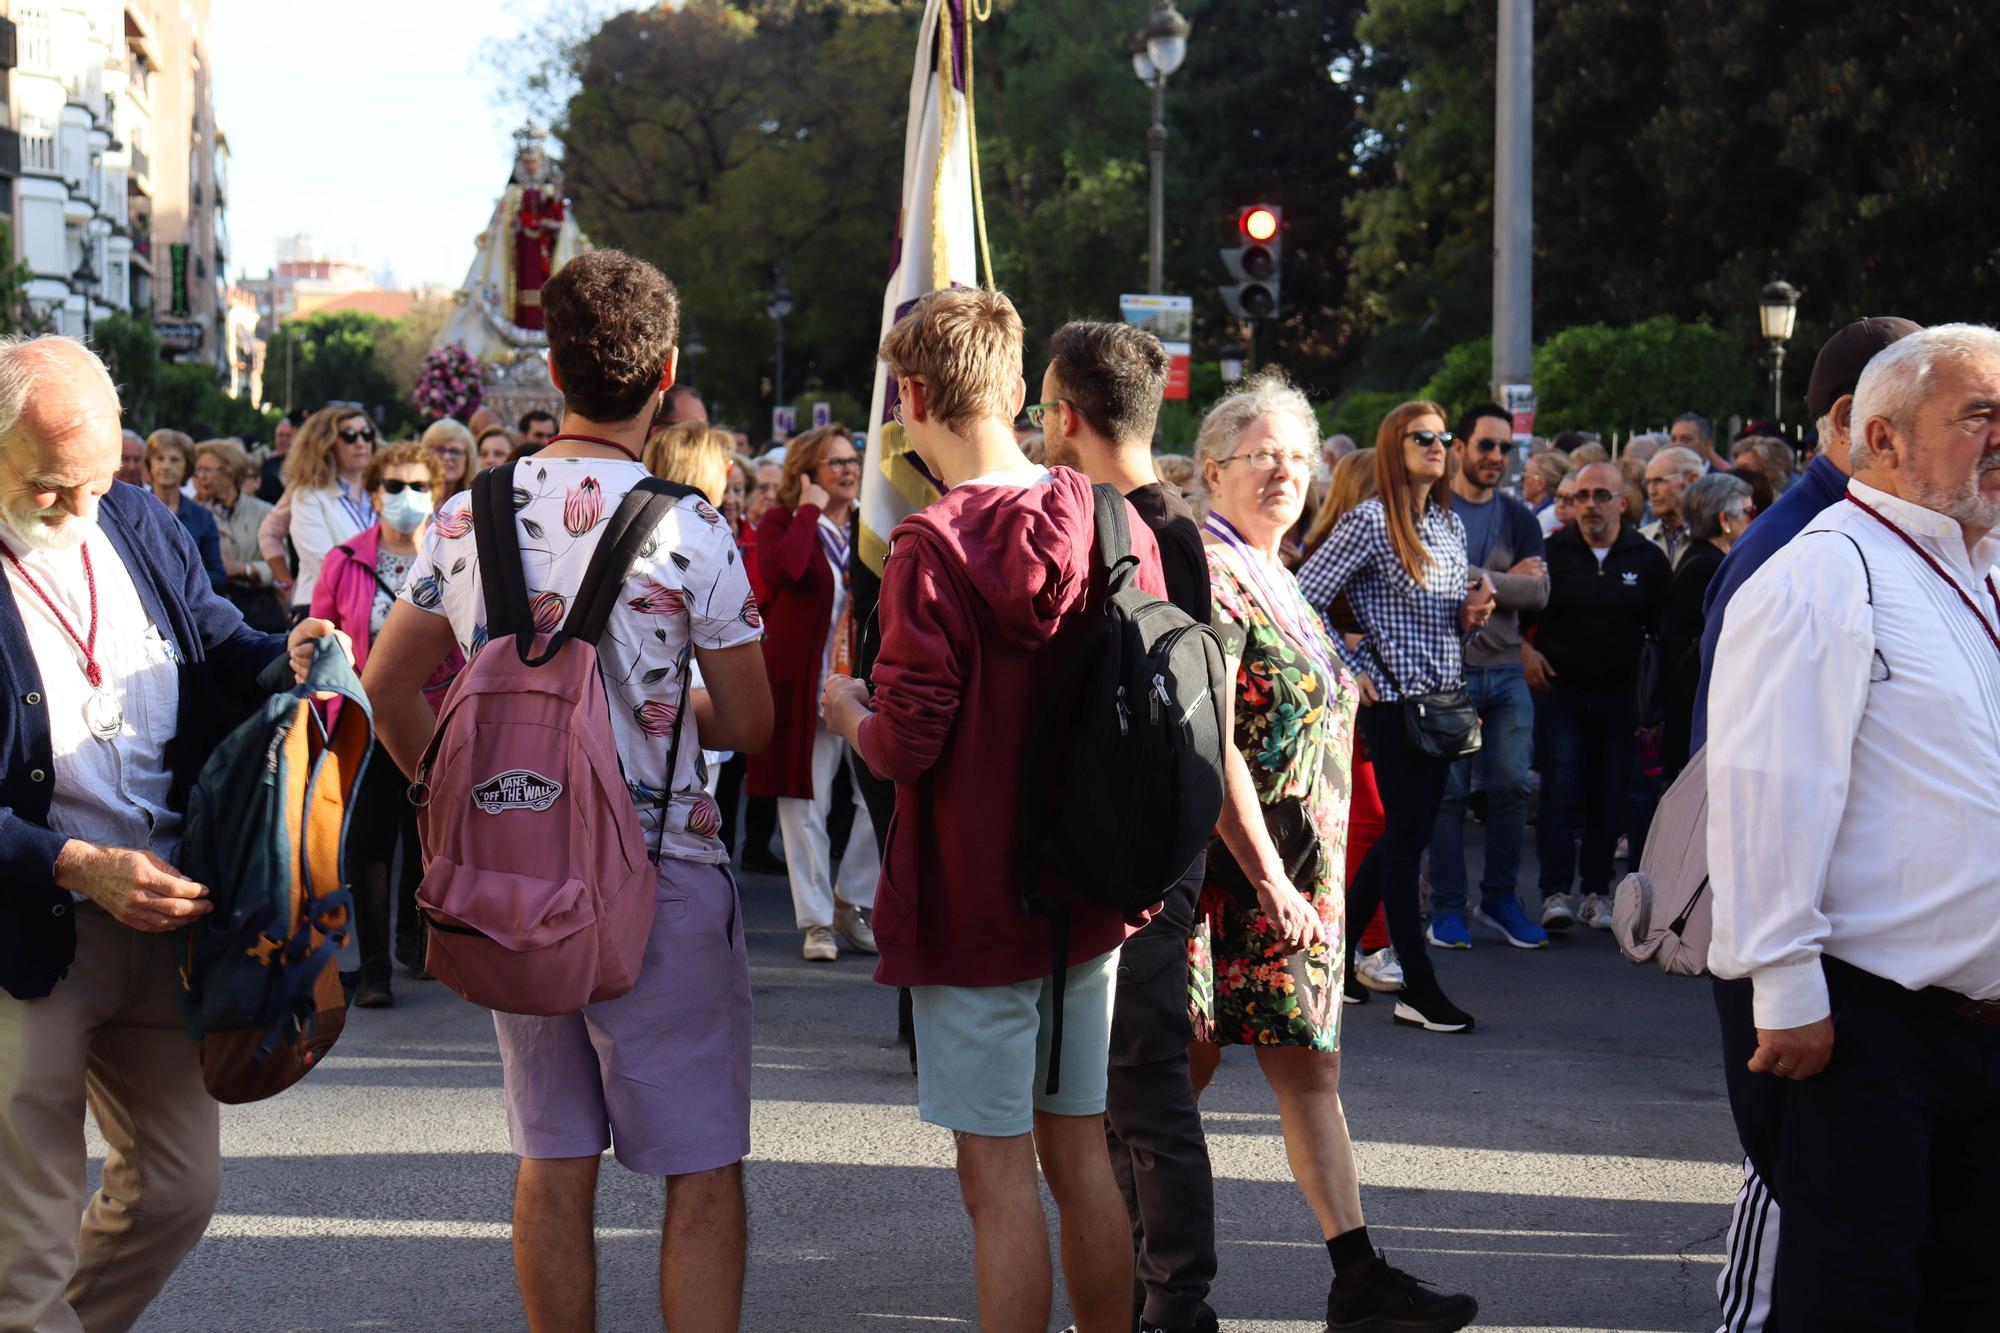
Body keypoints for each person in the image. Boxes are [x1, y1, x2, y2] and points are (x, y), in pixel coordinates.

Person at [361, 248, 771, 1333]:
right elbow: (750, 721)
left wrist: (441, 796)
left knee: (552, 1155)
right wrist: (662, 709)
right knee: (702, 1169)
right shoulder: (692, 529)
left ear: (549, 365)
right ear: (665, 372)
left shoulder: (463, 518)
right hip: (658, 876)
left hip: (513, 874)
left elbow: (385, 682)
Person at [819, 286, 1161, 1333]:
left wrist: (846, 713)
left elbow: (909, 741)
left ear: (911, 396)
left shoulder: (931, 544)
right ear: (1014, 389)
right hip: (1087, 884)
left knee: (997, 1179)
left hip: (973, 900)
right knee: (1080, 1150)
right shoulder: (1109, 518)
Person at [0, 334, 346, 1333]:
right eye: (50, 488)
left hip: (169, 915)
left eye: (97, 481)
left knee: (178, 1189)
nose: (77, 512)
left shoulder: (139, 519)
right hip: (33, 932)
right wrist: (75, 865)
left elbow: (217, 642)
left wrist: (283, 652)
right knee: (25, 1237)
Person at [1707, 323, 2000, 1330]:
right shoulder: (1821, 570)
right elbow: (1764, 789)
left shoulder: (1978, 563)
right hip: (1865, 1029)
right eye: (1979, 417)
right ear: (1880, 438)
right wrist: (1781, 984)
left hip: (1976, 1024)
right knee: (1855, 1298)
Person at [1187, 376, 1479, 1331]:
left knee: (1310, 1071)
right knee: (1171, 1079)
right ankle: (1155, 1289)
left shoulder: (1285, 571)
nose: (1282, 471)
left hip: (1299, 879)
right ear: (1211, 469)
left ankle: (1359, 1277)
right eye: (1260, 455)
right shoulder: (1209, 570)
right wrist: (1266, 871)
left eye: (1296, 457)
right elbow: (1214, 731)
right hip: (1225, 878)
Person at [1690, 314, 1919, 1333]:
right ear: (1850, 421)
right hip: (1825, 961)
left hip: (1863, 961)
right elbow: (1746, 779)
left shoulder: (1879, 538)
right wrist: (1787, 973)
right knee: (1799, 1204)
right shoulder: (1798, 552)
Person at [1038, 319, 1219, 1333]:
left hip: (1140, 846)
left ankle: (1176, 1305)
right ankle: (1150, 1291)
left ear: (1066, 414)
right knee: (1118, 1096)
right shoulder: (1171, 524)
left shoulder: (1141, 529)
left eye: (1040, 410)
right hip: (1154, 841)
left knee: (1143, 1094)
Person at [1298, 402, 1495, 1031]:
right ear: (1395, 446)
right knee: (1412, 838)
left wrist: (1469, 618)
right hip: (1394, 705)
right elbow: (1306, 599)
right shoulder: (1369, 521)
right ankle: (1417, 983)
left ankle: (1339, 955)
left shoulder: (1446, 523)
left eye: (1443, 437)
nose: (1438, 446)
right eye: (1422, 437)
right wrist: (1346, 668)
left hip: (1443, 699)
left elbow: (1440, 621)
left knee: (1404, 833)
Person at [310, 442, 462, 1007]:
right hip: (364, 720)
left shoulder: (453, 558)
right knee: (371, 842)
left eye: (418, 487)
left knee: (423, 835)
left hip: (433, 719)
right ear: (372, 493)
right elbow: (321, 637)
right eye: (393, 486)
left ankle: (414, 936)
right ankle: (373, 966)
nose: (406, 498)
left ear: (436, 494)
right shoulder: (344, 560)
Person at [747, 424, 879, 961]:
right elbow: (787, 569)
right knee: (804, 802)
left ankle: (853, 897)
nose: (849, 470)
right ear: (808, 474)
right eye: (835, 463)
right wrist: (808, 509)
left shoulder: (873, 528)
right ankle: (817, 921)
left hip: (863, 685)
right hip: (803, 686)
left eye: (852, 461)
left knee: (877, 796)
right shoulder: (785, 522)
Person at [1522, 461, 1669, 932]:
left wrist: (1656, 702)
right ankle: (1555, 891)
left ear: (1622, 503)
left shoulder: (1645, 558)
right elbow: (1518, 619)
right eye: (1582, 495)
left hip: (1619, 694)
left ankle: (1598, 891)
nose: (1590, 505)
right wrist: (1525, 651)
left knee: (1611, 793)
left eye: (1601, 495)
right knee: (1561, 788)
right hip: (1561, 690)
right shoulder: (1550, 553)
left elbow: (1663, 630)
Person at [1427, 404, 1550, 950]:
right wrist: (1502, 580)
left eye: (1504, 448)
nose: (1496, 457)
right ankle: (1448, 907)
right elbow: (1427, 580)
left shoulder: (1519, 517)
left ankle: (1501, 900)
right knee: (1448, 798)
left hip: (1503, 674)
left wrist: (1472, 578)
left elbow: (1540, 593)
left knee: (1510, 790)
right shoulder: (1431, 507)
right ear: (1460, 448)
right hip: (1445, 671)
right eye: (1486, 446)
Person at [1657, 472, 1751, 781]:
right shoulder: (1711, 567)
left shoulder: (1697, 558)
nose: (1755, 521)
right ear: (1725, 519)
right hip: (1694, 702)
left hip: (1686, 698)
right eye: (1748, 513)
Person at [280, 404, 382, 617]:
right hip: (324, 610)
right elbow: (325, 562)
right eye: (349, 436)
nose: (361, 442)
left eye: (366, 434)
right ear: (325, 444)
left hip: (378, 607)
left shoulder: (385, 491)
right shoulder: (308, 496)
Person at [194, 438, 285, 631]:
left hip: (259, 613)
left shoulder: (264, 512)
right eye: (198, 470)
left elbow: (282, 569)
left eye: (209, 470)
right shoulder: (192, 514)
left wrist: (244, 569)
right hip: (211, 614)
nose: (201, 476)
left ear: (231, 472)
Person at [143, 430, 227, 592]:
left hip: (188, 607)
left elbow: (219, 575)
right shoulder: (133, 510)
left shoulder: (202, 517)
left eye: (175, 460)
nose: (166, 466)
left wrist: (181, 581)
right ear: (150, 464)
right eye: (160, 458)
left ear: (187, 467)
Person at [1640, 446, 1705, 568]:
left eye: (1659, 481)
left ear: (1692, 481)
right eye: (1648, 482)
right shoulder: (1640, 539)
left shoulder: (1716, 539)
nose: (1651, 491)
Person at [421, 417, 477, 499]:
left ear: (468, 459)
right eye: (440, 450)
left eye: (455, 451)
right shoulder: (414, 498)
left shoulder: (475, 502)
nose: (447, 457)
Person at [1522, 448, 1571, 533]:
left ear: (1540, 484)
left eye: (1525, 477)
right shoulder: (1542, 512)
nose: (1521, 481)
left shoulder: (1549, 516)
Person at [256, 411, 300, 503]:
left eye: (288, 435)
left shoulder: (302, 463)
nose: (284, 439)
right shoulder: (266, 463)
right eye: (280, 435)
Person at [1731, 436, 1796, 497]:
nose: (1735, 475)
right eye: (1737, 468)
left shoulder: (1791, 501)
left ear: (1771, 473)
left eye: (1745, 469)